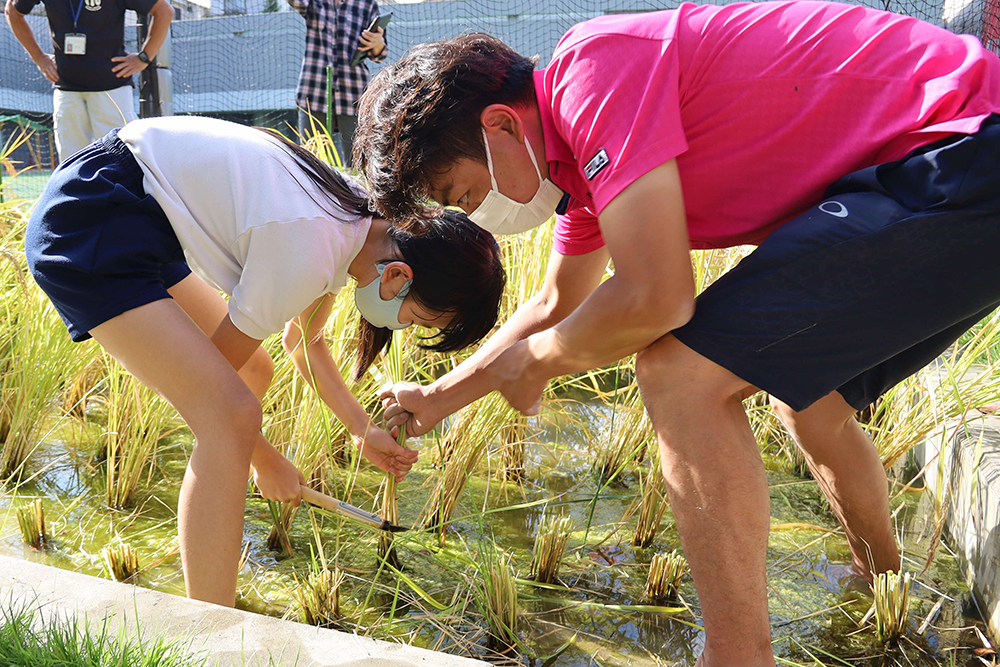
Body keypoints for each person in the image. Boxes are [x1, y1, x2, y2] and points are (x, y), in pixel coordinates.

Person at [353, 2, 1000, 664]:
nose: (480, 217)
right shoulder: (581, 171)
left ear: (500, 125)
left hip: (963, 148)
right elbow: (553, 302)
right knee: (811, 400)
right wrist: (437, 398)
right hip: (950, 168)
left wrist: (543, 361)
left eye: (463, 194)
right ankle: (884, 587)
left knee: (678, 373)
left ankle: (737, 656)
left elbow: (656, 298)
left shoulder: (593, 71)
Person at [25, 115, 505, 607]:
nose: (400, 327)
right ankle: (212, 637)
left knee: (255, 372)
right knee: (228, 416)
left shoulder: (357, 222)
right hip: (91, 218)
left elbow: (304, 340)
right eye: (415, 317)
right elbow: (213, 387)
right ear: (399, 275)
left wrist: (363, 430)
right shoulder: (308, 247)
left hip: (137, 211)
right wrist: (265, 459)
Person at [5, 0, 172, 160]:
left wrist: (144, 58)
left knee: (120, 158)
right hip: (66, 89)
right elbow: (12, 11)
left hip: (112, 89)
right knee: (71, 162)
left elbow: (164, 11)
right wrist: (39, 58)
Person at [286, 0, 385, 167]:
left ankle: (355, 194)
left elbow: (379, 54)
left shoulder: (367, 4)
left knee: (358, 165)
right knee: (311, 163)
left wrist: (377, 43)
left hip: (354, 94)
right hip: (314, 92)